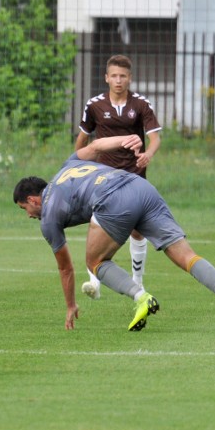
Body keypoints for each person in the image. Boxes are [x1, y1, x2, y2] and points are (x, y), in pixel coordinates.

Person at [13, 134, 215, 334]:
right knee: (187, 256)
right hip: (140, 187)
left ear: (33, 199)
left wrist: (70, 305)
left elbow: (65, 269)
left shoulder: (47, 217)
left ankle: (141, 297)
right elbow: (98, 145)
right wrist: (127, 138)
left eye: (25, 208)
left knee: (95, 262)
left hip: (112, 199)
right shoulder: (69, 164)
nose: (28, 215)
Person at [75, 54, 162, 300]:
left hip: (134, 176)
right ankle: (94, 281)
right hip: (105, 177)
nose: (118, 80)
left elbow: (155, 137)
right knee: (96, 224)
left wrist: (148, 153)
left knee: (137, 230)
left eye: (123, 76)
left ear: (130, 78)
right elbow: (83, 138)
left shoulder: (141, 105)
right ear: (106, 78)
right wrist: (77, 163)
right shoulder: (94, 105)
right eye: (114, 75)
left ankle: (138, 281)